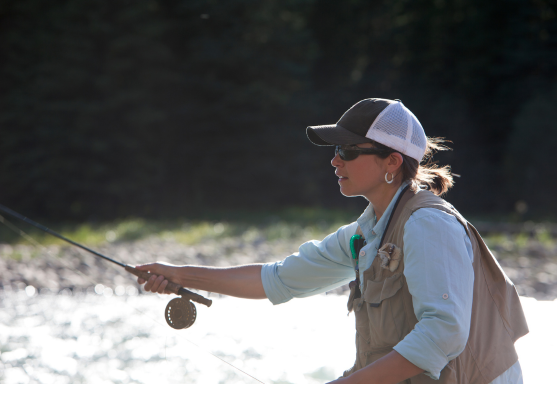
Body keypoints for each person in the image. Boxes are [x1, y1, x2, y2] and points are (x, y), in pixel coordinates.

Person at [135, 98, 529, 384]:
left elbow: (443, 333)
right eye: (335, 150)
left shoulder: (428, 225)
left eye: (347, 150)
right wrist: (177, 273)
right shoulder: (367, 231)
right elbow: (278, 279)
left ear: (392, 162)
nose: (334, 161)